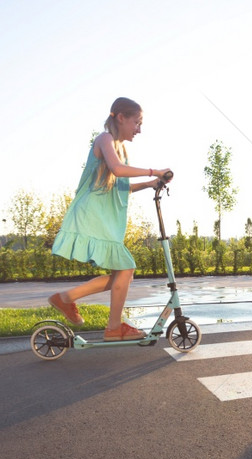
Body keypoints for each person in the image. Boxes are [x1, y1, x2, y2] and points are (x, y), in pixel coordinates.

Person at [48, 97, 171, 341]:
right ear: (121, 117)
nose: (139, 129)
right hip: (91, 214)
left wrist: (148, 184)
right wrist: (154, 171)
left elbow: (117, 184)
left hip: (103, 216)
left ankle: (65, 299)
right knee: (126, 267)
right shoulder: (104, 139)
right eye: (137, 122)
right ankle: (113, 327)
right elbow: (117, 170)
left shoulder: (121, 149)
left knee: (122, 272)